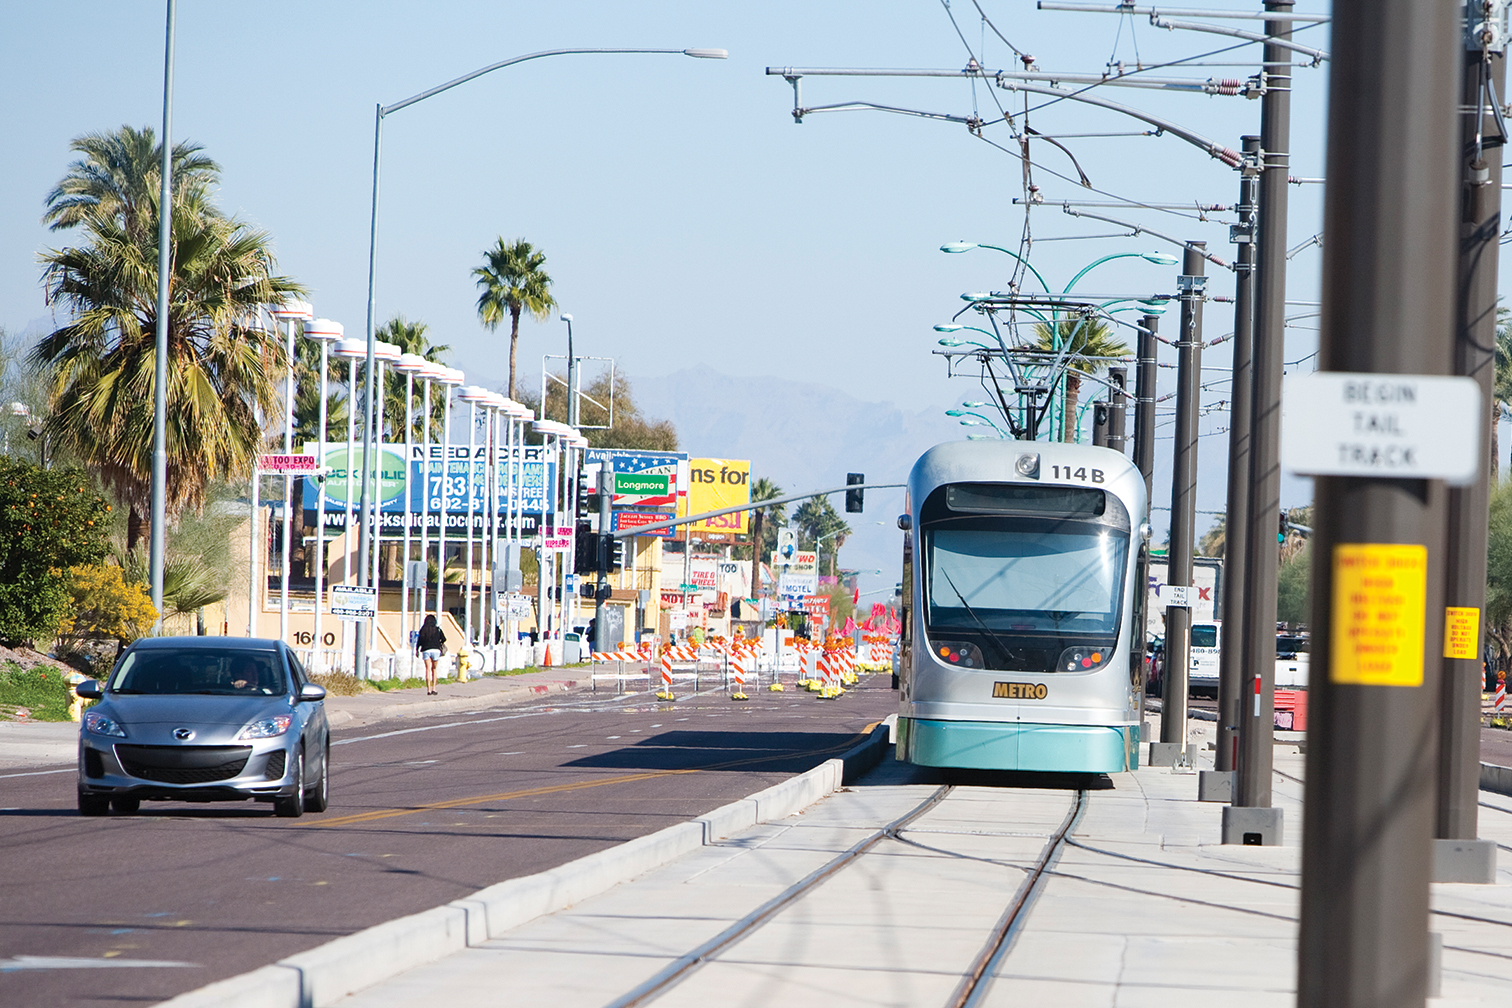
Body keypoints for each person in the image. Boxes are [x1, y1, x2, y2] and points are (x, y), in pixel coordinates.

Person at [416, 614, 446, 695]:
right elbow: (444, 639)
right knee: (434, 669)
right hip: (436, 650)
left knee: (428, 670)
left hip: (426, 650)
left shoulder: (423, 630)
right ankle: (434, 689)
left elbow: (419, 641)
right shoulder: (437, 629)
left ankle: (428, 690)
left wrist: (417, 650)